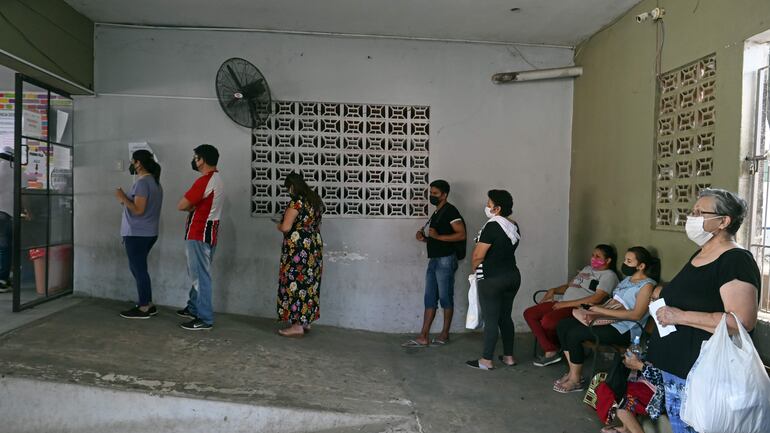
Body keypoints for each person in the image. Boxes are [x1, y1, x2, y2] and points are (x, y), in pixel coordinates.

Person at [646, 188, 760, 433]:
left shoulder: (736, 260)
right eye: (692, 212)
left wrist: (679, 316)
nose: (692, 217)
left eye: (700, 212)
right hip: (675, 367)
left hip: (702, 372)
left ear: (724, 221)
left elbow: (741, 321)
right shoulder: (701, 252)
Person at [553, 246, 659, 393]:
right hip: (609, 319)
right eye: (625, 260)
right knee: (563, 325)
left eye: (629, 261)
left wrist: (601, 310)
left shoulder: (647, 286)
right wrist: (597, 310)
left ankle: (575, 380)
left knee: (575, 333)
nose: (624, 264)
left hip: (625, 329)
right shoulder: (628, 279)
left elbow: (636, 315)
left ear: (641, 266)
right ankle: (573, 372)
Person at [524, 244, 619, 367]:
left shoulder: (609, 276)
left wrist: (566, 304)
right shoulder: (587, 269)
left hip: (578, 308)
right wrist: (554, 290)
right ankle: (551, 349)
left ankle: (555, 349)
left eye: (598, 256)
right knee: (530, 313)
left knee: (547, 321)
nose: (593, 258)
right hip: (562, 303)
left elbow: (597, 298)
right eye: (592, 255)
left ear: (608, 260)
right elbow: (570, 286)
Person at [402, 179, 466, 348]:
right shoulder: (438, 212)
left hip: (445, 259)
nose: (432, 196)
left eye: (435, 194)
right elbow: (438, 238)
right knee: (429, 298)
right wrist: (425, 239)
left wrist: (437, 237)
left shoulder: (451, 211)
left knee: (445, 297)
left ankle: (444, 334)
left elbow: (461, 235)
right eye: (430, 193)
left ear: (444, 195)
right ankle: (423, 336)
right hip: (435, 259)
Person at [465, 189, 521, 370]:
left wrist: (475, 271)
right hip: (512, 276)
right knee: (505, 316)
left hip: (492, 278)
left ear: (497, 208)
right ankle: (509, 356)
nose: (486, 207)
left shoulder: (492, 226)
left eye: (489, 204)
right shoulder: (514, 225)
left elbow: (478, 255)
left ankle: (486, 360)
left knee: (491, 318)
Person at [176, 144, 224, 331]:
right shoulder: (218, 178)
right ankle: (193, 307)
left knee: (200, 277)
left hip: (198, 233)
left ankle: (204, 318)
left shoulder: (204, 181)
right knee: (200, 274)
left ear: (202, 159)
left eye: (196, 157)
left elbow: (181, 205)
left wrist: (190, 207)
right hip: (209, 232)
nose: (194, 160)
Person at [275, 172, 324, 337]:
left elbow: (287, 227)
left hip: (298, 249)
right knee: (309, 284)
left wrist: (279, 225)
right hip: (314, 246)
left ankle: (296, 326)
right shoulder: (315, 200)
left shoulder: (296, 203)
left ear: (292, 186)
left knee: (295, 283)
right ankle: (305, 321)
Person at [116, 150, 163, 319]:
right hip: (147, 233)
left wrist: (122, 198)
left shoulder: (143, 183)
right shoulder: (155, 183)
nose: (131, 165)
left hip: (138, 234)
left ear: (138, 163)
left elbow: (138, 210)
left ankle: (143, 307)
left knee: (139, 269)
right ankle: (148, 304)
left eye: (132, 161)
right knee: (138, 268)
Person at [0, 146, 13, 293]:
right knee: (5, 248)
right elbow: (23, 194)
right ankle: (2, 280)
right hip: (5, 214)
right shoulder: (15, 171)